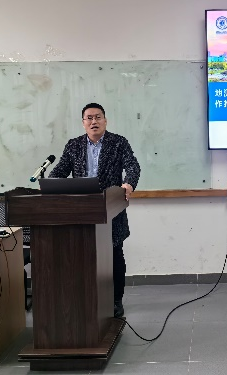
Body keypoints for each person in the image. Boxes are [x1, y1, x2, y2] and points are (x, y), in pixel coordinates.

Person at [49, 102, 141, 318]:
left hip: (111, 208)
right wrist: (51, 184)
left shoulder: (118, 143)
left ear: (105, 121)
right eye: (89, 118)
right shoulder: (73, 145)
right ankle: (85, 298)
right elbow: (60, 171)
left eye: (98, 117)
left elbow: (133, 166)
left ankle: (116, 300)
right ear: (83, 123)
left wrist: (128, 184)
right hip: (82, 211)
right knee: (83, 256)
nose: (94, 121)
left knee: (114, 255)